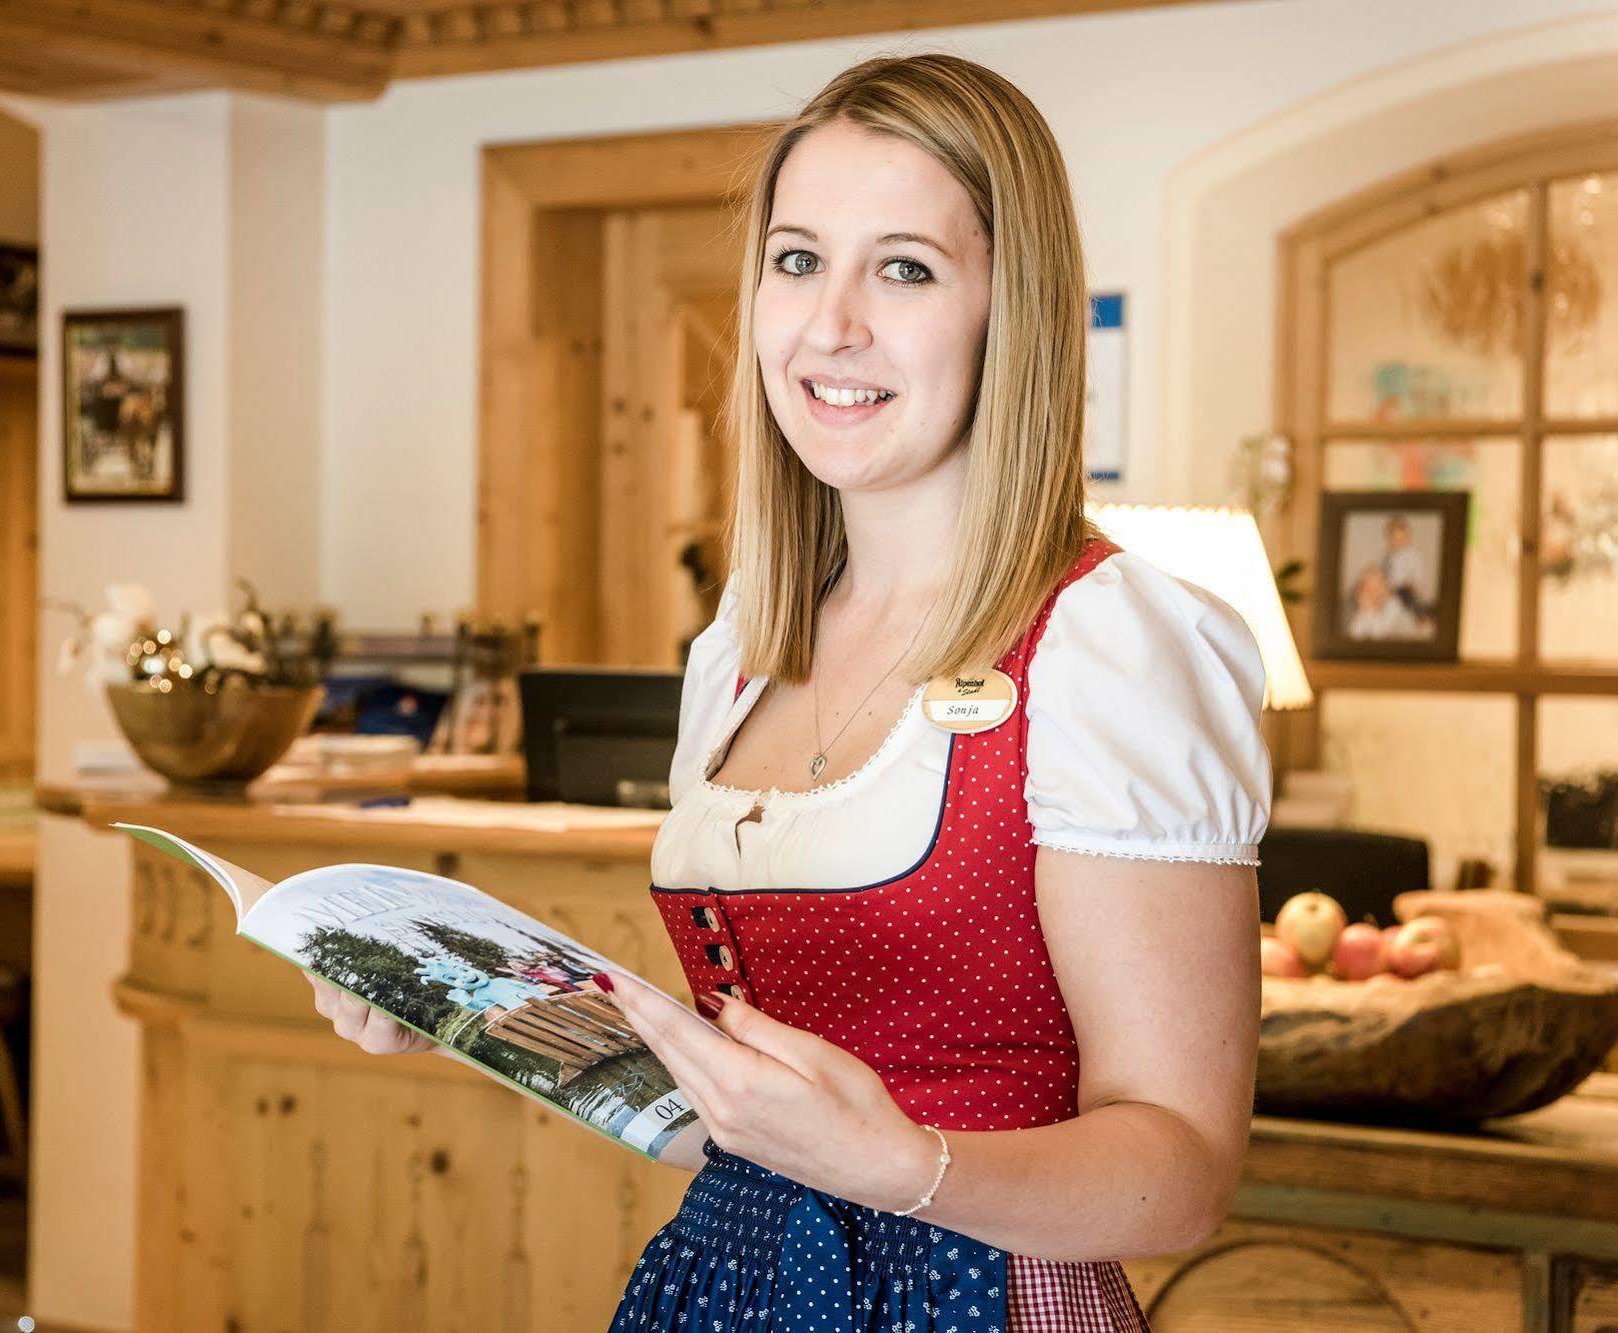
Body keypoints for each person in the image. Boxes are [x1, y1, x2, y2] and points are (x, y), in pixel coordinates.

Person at [306, 50, 1271, 1333]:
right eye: (798, 259)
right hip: (725, 1286)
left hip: (972, 1302)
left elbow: (1183, 1176)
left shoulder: (1109, 644)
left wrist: (900, 1165)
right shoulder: (745, 647)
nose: (831, 326)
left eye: (906, 268)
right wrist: (480, 1015)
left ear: (1010, 308)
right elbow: (749, 1110)